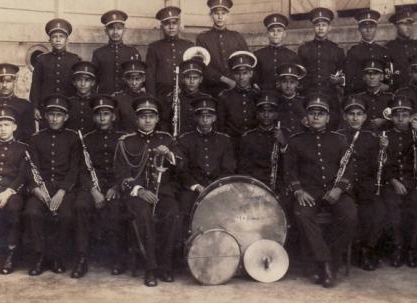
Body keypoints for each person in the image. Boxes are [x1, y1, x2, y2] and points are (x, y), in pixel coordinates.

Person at [284, 93, 358, 288]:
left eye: (320, 113)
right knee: (301, 214)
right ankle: (325, 264)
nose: (316, 117)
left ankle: (330, 261)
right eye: (312, 113)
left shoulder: (340, 139)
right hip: (308, 191)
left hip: (335, 192)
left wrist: (339, 190)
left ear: (328, 118)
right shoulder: (296, 141)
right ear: (306, 118)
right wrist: (298, 191)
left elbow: (349, 169)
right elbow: (289, 170)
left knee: (350, 215)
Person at [114, 95, 184, 287]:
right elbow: (121, 176)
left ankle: (165, 266)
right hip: (138, 195)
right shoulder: (125, 142)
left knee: (173, 214)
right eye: (143, 116)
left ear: (157, 119)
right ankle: (150, 268)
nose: (147, 120)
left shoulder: (167, 139)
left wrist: (169, 154)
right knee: (144, 215)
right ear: (136, 119)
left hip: (163, 193)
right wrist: (139, 190)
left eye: (151, 116)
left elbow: (182, 166)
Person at [23, 94, 81, 276]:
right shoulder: (36, 138)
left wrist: (62, 192)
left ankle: (57, 257)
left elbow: (74, 169)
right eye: (51, 114)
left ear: (66, 117)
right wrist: (36, 189)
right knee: (31, 212)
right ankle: (40, 257)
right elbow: (31, 168)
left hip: (64, 189)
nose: (55, 118)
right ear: (45, 116)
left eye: (59, 115)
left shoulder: (73, 138)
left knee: (65, 216)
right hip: (42, 187)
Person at [71, 95, 127, 279]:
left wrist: (117, 187)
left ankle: (118, 257)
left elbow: (127, 167)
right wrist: (93, 191)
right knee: (81, 206)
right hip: (91, 186)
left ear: (114, 117)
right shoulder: (85, 138)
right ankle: (81, 258)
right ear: (94, 117)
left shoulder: (123, 138)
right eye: (99, 114)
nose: (102, 117)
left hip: (115, 186)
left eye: (106, 113)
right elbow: (81, 169)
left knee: (116, 208)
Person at [337, 95, 386, 271]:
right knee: (350, 212)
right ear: (344, 116)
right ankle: (350, 250)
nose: (355, 118)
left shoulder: (372, 137)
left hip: (365, 184)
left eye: (359, 114)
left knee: (377, 211)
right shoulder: (337, 136)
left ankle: (367, 249)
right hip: (344, 185)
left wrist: (383, 150)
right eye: (351, 114)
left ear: (365, 117)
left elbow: (376, 167)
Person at [177, 96, 236, 242]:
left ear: (214, 118)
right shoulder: (184, 140)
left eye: (208, 116)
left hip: (218, 186)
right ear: (196, 118)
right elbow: (182, 170)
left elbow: (228, 169)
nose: (205, 120)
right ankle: (187, 247)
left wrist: (215, 187)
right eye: (201, 116)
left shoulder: (224, 140)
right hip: (193, 187)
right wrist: (196, 186)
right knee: (184, 207)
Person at [381, 95, 417, 268]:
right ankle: (397, 249)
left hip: (413, 181)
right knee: (393, 212)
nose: (401, 119)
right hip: (392, 182)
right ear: (391, 117)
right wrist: (393, 181)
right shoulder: (386, 135)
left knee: (416, 206)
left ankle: (412, 250)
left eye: (405, 115)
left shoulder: (416, 136)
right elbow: (381, 165)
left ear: (411, 117)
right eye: (397, 115)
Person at [0, 106, 29, 276]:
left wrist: (9, 191)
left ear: (14, 127)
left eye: (7, 125)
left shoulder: (23, 149)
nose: (3, 129)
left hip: (13, 192)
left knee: (14, 208)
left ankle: (11, 255)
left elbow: (23, 175)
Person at [298, 7, 345, 130]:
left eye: (324, 25)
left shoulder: (337, 50)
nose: (320, 27)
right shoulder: (304, 49)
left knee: (330, 128)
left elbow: (343, 73)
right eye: (317, 24)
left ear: (329, 27)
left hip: (330, 96)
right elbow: (300, 74)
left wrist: (339, 80)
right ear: (313, 27)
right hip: (309, 95)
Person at [29, 19, 81, 126]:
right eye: (54, 37)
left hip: (68, 107)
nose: (58, 40)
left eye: (61, 37)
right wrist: (35, 107)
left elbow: (78, 86)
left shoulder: (75, 60)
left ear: (67, 40)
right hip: (46, 108)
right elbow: (36, 85)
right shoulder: (41, 60)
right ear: (50, 40)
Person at [196, 0, 249, 96]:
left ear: (228, 15)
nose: (220, 17)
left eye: (223, 13)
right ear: (211, 15)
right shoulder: (203, 38)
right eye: (216, 13)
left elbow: (246, 61)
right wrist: (225, 80)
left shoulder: (236, 36)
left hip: (236, 86)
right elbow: (202, 65)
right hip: (212, 89)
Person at [239, 91, 288, 189]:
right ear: (257, 115)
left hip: (280, 184)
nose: (266, 115)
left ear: (276, 115)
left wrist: (283, 143)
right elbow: (243, 168)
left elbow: (291, 165)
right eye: (262, 111)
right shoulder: (248, 137)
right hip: (256, 184)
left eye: (270, 111)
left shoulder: (285, 133)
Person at [145, 6, 194, 101]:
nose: (171, 27)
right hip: (162, 96)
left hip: (185, 95)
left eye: (174, 23)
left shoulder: (188, 46)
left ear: (179, 24)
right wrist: (153, 100)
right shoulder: (154, 47)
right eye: (167, 24)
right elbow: (150, 76)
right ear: (161, 26)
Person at [217, 51, 259, 155]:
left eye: (245, 73)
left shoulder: (258, 95)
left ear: (251, 74)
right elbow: (221, 124)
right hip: (232, 143)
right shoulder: (225, 96)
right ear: (232, 75)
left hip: (255, 142)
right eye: (237, 73)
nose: (241, 77)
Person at [92, 10, 141, 95]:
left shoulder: (133, 52)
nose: (115, 32)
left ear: (124, 30)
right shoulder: (98, 53)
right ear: (106, 31)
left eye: (119, 28)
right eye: (111, 28)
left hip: (127, 99)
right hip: (105, 99)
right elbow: (93, 81)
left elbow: (139, 79)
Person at [0, 63, 35, 144]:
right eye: (1, 81)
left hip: (17, 153)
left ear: (14, 82)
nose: (4, 85)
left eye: (8, 81)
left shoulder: (25, 105)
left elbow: (29, 136)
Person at [344, 9, 390, 95]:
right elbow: (350, 79)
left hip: (380, 95)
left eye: (371, 27)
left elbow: (387, 78)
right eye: (364, 27)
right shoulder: (353, 52)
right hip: (360, 94)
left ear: (376, 28)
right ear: (359, 29)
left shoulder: (383, 51)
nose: (368, 30)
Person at [160, 58, 211, 135]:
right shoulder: (174, 97)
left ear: (201, 79)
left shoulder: (207, 98)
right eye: (188, 77)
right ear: (183, 79)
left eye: (195, 78)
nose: (192, 81)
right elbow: (164, 122)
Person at [254, 13, 300, 90]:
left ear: (284, 34)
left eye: (279, 31)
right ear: (267, 34)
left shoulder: (292, 56)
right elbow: (255, 80)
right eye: (272, 31)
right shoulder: (258, 55)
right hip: (264, 96)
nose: (275, 34)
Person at [385, 8, 417, 90]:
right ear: (396, 26)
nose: (408, 27)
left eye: (410, 24)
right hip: (398, 90)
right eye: (404, 24)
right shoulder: (389, 47)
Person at [356, 59, 394, 131]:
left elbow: (399, 119)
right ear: (364, 77)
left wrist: (385, 121)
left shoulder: (390, 97)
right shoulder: (358, 98)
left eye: (376, 74)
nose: (372, 77)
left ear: (382, 77)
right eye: (368, 74)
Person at [113, 59, 149, 132]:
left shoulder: (148, 98)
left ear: (143, 79)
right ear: (125, 79)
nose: (134, 83)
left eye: (137, 79)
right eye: (130, 79)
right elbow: (115, 125)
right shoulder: (118, 98)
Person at [275, 63, 307, 136]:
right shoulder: (276, 102)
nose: (288, 86)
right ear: (279, 83)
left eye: (292, 82)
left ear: (297, 84)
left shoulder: (304, 102)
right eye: (284, 82)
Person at [66, 61, 97, 133]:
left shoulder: (97, 102)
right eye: (79, 80)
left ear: (93, 83)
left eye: (87, 80)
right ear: (74, 82)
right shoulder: (68, 103)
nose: (83, 84)